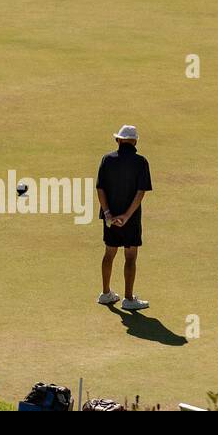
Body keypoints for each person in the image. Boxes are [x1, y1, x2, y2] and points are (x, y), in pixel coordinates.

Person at [95, 124, 152, 311]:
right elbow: (141, 191)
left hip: (110, 217)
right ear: (135, 141)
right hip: (131, 219)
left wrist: (108, 213)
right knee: (130, 257)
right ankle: (128, 298)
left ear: (118, 140)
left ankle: (105, 293)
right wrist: (127, 216)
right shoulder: (141, 162)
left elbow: (100, 188)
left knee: (109, 253)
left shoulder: (107, 159)